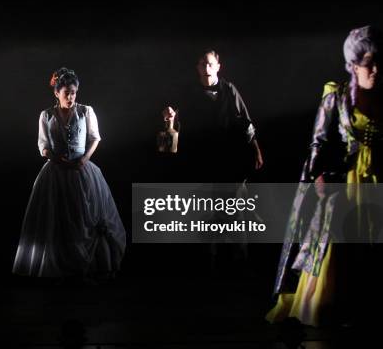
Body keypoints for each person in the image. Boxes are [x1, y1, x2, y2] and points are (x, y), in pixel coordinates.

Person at [267, 25, 383, 326]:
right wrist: (318, 175)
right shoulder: (337, 96)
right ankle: (336, 309)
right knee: (340, 250)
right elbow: (319, 141)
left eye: (380, 62)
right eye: (369, 63)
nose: (376, 70)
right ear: (354, 65)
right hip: (346, 185)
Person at [12, 67, 126, 281]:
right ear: (57, 93)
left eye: (74, 92)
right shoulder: (46, 115)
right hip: (56, 173)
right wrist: (55, 159)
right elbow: (43, 145)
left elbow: (95, 138)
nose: (71, 97)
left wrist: (84, 160)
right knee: (59, 219)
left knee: (85, 216)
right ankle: (61, 267)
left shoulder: (86, 111)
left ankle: (91, 266)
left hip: (82, 171)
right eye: (67, 93)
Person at [162, 50, 263, 182]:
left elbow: (246, 123)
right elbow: (172, 131)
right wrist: (169, 119)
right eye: (203, 65)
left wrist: (256, 150)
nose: (206, 68)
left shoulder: (229, 89)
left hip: (229, 159)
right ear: (198, 68)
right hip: (199, 161)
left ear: (218, 67)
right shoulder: (187, 93)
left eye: (210, 64)